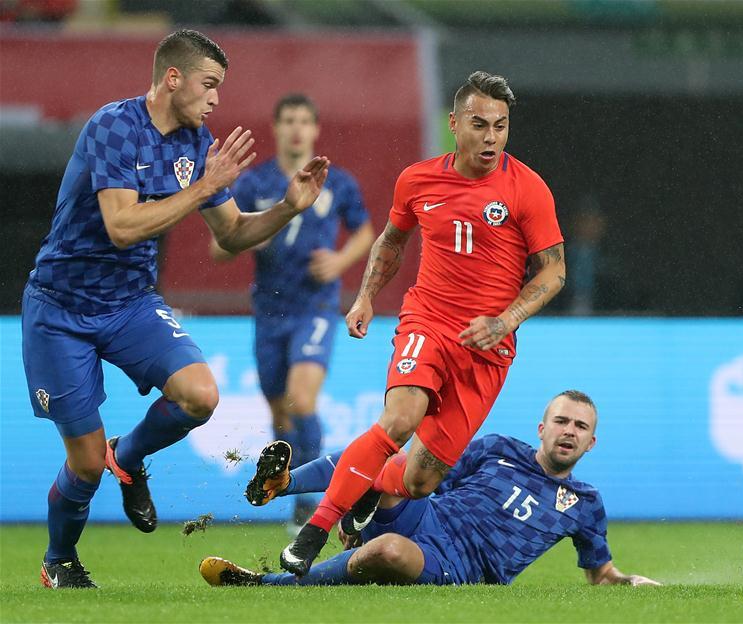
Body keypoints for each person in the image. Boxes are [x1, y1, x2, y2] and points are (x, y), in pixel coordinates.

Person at [21, 29, 329, 589]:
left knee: (200, 395)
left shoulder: (196, 142)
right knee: (84, 463)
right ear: (172, 78)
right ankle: (58, 559)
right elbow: (121, 226)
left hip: (130, 303)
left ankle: (128, 456)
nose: (215, 98)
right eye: (208, 85)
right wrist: (202, 188)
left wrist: (288, 207)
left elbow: (231, 233)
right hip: (61, 309)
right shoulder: (114, 126)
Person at [277, 70, 567, 577]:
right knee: (399, 420)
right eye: (480, 124)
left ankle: (369, 483)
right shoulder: (417, 179)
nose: (491, 138)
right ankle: (315, 529)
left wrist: (505, 320)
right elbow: (392, 241)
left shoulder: (528, 188)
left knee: (419, 480)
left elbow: (554, 271)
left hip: (488, 348)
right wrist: (365, 297)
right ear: (454, 123)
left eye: (500, 126)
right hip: (427, 321)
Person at [201, 391, 660, 587]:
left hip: (462, 566)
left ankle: (268, 582)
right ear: (542, 428)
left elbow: (600, 572)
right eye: (561, 421)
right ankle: (284, 484)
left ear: (591, 442)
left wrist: (628, 582)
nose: (569, 431)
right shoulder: (498, 448)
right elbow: (430, 479)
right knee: (391, 461)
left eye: (580, 426)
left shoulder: (585, 503)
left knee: (388, 552)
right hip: (429, 515)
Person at [210, 93, 373, 527]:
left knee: (302, 400)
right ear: (276, 128)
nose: (297, 128)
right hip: (269, 311)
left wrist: (339, 261)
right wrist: (246, 238)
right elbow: (218, 247)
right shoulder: (254, 184)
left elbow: (365, 232)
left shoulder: (338, 183)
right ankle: (289, 489)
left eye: (304, 120)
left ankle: (314, 502)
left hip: (315, 306)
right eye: (289, 121)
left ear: (315, 129)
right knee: (281, 414)